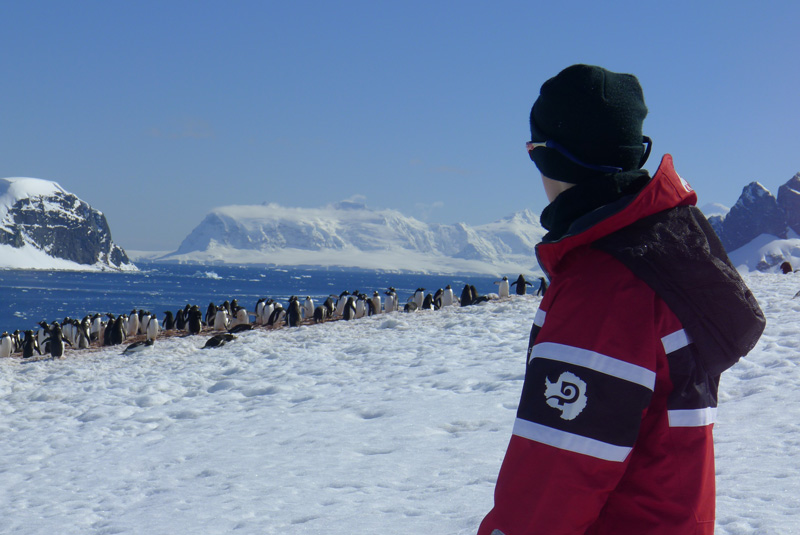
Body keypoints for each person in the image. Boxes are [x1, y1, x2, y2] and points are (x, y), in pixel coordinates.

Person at [478, 64, 765, 535]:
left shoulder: (606, 287)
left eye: (533, 151)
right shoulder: (668, 257)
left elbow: (558, 475)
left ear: (553, 158)